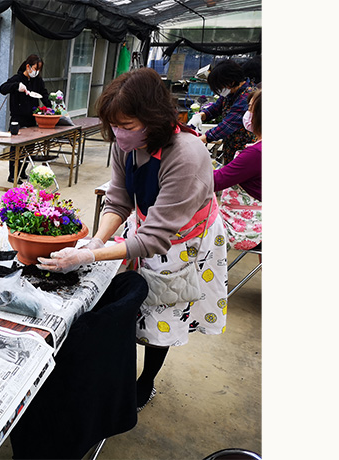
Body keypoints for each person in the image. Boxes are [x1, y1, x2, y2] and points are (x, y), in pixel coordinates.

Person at [37, 68, 228, 412]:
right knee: (130, 300)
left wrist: (86, 257)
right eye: (114, 126)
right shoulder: (126, 146)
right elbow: (120, 200)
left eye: (126, 127)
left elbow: (156, 237)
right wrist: (97, 241)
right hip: (146, 226)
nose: (118, 135)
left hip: (184, 239)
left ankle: (147, 380)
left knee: (163, 312)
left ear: (153, 120)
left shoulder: (186, 155)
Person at [189, 59, 258, 165]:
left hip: (245, 148)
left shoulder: (247, 96)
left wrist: (198, 140)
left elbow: (228, 125)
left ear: (231, 82)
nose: (219, 90)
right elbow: (216, 108)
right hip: (230, 146)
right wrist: (201, 115)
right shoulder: (230, 92)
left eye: (219, 86)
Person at [0, 54, 52, 184]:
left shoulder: (38, 81)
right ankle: (13, 175)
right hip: (17, 119)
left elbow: (43, 94)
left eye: (38, 69)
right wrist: (16, 86)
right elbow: (2, 89)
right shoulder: (17, 78)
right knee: (16, 148)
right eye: (35, 68)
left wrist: (50, 107)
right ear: (28, 67)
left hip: (32, 118)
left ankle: (22, 171)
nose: (36, 72)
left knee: (29, 147)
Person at [214, 89, 261, 202]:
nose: (247, 113)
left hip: (246, 217)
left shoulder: (256, 153)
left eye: (250, 108)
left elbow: (217, 180)